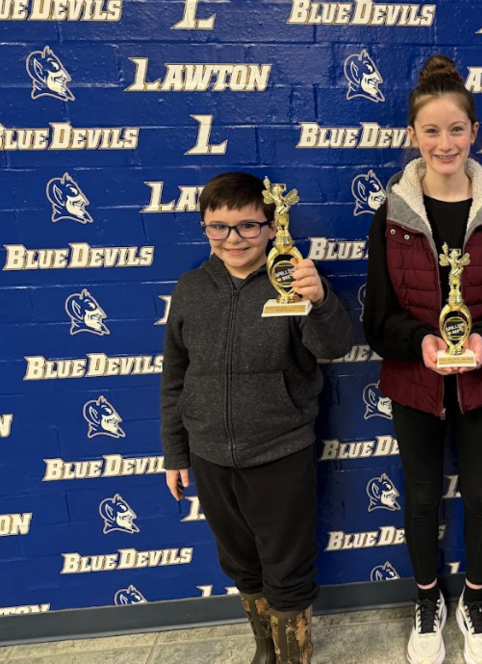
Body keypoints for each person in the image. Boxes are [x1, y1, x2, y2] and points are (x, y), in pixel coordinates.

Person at [363, 55, 482, 664]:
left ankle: (476, 599)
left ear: (475, 133)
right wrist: (421, 344)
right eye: (431, 131)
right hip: (416, 384)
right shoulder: (390, 218)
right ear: (413, 136)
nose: (444, 142)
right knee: (420, 497)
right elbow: (378, 321)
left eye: (456, 129)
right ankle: (428, 599)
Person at [160, 171, 354, 664]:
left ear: (272, 227)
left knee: (287, 571)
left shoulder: (294, 281)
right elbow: (174, 376)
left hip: (279, 454)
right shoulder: (190, 289)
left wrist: (321, 302)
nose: (232, 239)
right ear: (204, 227)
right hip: (209, 456)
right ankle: (265, 650)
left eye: (247, 226)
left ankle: (294, 657)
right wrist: (175, 452)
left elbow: (333, 349)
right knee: (241, 566)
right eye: (218, 227)